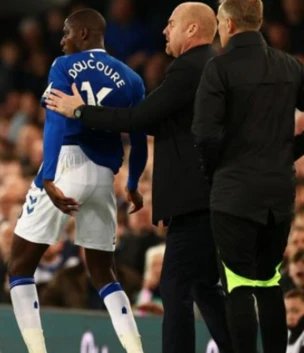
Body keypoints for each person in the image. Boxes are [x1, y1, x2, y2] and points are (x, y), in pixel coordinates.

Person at [43, 3, 233, 353]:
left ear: (192, 30)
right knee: (204, 286)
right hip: (212, 197)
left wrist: (80, 110)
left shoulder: (190, 68)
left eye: (171, 23)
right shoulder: (216, 66)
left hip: (194, 201)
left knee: (175, 290)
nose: (164, 30)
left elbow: (138, 119)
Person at [8, 9, 148, 353]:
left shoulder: (62, 65)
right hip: (104, 177)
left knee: (19, 267)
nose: (62, 39)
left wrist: (51, 177)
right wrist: (133, 183)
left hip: (67, 164)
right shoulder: (131, 78)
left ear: (84, 34)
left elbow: (54, 120)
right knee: (103, 273)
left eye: (67, 32)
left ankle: (37, 350)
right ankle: (136, 349)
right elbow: (140, 135)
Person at [192, 0, 304, 352]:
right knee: (269, 279)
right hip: (278, 193)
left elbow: (205, 135)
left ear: (227, 24)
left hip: (234, 192)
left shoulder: (219, 68)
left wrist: (216, 172)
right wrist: (288, 154)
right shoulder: (290, 65)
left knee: (238, 283)